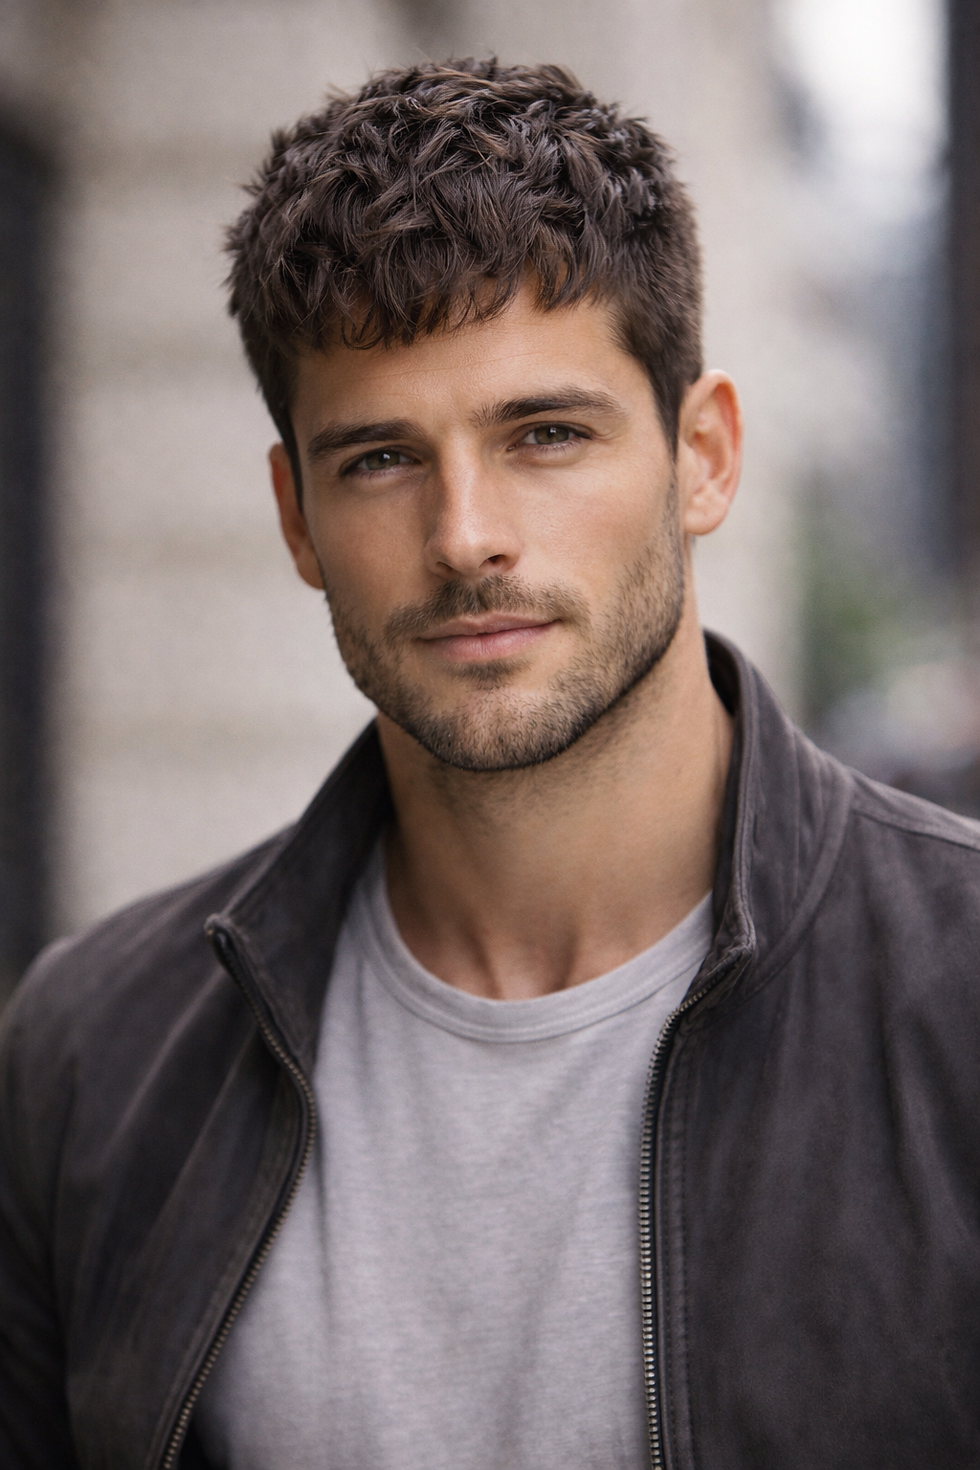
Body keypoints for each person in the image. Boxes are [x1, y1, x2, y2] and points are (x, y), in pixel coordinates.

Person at [0, 58, 977, 1470]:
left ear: (702, 455)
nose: (467, 535)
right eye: (382, 458)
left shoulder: (956, 997)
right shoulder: (97, 1056)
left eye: (546, 435)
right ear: (294, 516)